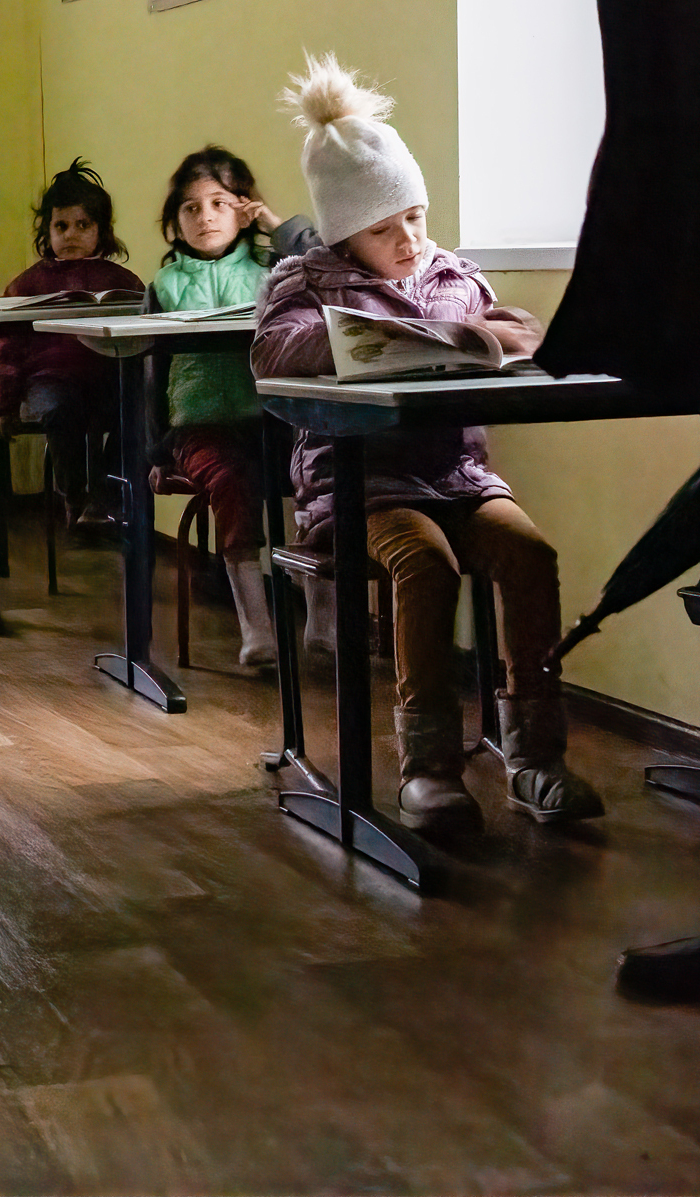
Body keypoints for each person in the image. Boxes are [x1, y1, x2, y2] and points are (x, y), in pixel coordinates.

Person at [251, 55, 601, 834]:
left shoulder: (454, 274)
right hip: (360, 489)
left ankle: (535, 755)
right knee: (427, 563)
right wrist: (431, 338)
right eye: (384, 229)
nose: (409, 238)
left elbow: (522, 332)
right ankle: (429, 766)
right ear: (345, 235)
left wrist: (459, 334)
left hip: (460, 477)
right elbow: (277, 353)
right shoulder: (306, 286)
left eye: (415, 215)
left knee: (529, 553)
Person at [150, 146, 319, 665]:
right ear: (175, 222)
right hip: (200, 426)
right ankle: (257, 628)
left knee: (320, 477)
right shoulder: (164, 285)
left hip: (272, 419)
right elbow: (150, 371)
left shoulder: (273, 268)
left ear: (244, 209)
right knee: (233, 485)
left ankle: (324, 624)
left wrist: (273, 222)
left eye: (220, 203)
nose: (205, 217)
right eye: (191, 208)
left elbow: (323, 261)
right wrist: (155, 447)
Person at [0, 158, 143, 524]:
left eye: (82, 225)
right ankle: (73, 495)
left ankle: (106, 495)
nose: (71, 234)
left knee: (138, 410)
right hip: (49, 380)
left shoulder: (125, 281)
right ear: (47, 230)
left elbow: (142, 339)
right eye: (61, 225)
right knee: (60, 410)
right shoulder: (25, 286)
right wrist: (3, 405)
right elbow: (5, 349)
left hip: (107, 377)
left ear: (101, 231)